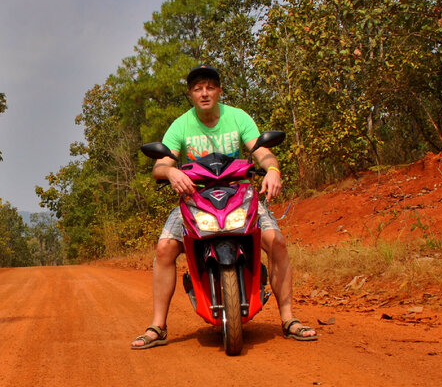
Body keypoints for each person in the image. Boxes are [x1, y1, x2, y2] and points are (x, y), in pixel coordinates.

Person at [130, 65, 317, 349]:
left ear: (219, 91)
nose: (204, 93)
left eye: (209, 87)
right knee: (165, 249)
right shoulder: (181, 125)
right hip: (195, 197)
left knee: (276, 241)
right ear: (190, 94)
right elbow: (160, 164)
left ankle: (289, 319)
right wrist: (171, 172)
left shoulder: (237, 117)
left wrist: (273, 170)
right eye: (197, 88)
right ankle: (158, 325)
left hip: (240, 194)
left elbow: (261, 150)